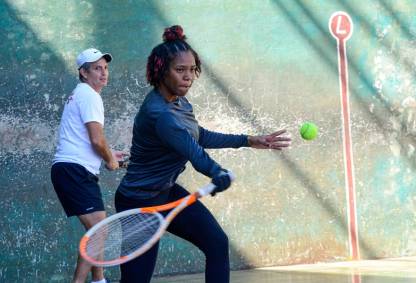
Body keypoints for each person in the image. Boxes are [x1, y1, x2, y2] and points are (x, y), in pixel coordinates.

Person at [115, 25, 292, 283]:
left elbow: (200, 135)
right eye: (180, 70)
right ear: (161, 71)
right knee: (136, 280)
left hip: (166, 193)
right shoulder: (160, 115)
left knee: (216, 243)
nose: (188, 77)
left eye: (192, 70)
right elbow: (194, 152)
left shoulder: (179, 102)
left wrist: (247, 140)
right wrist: (216, 172)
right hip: (139, 204)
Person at [51, 48, 125, 283]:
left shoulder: (81, 94)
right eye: (96, 68)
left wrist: (110, 153)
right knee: (98, 232)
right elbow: (96, 139)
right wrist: (111, 160)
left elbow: (85, 139)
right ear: (83, 73)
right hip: (74, 170)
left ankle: (99, 280)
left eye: (105, 68)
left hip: (73, 169)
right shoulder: (90, 96)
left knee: (98, 231)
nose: (103, 73)